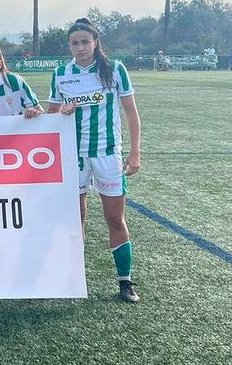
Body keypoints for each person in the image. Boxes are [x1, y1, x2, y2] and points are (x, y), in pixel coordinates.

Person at [48, 17, 142, 303]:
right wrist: (62, 110)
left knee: (115, 218)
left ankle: (125, 281)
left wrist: (135, 151)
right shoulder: (61, 73)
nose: (80, 47)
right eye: (75, 43)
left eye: (84, 41)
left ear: (95, 42)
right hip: (72, 156)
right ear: (69, 46)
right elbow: (51, 115)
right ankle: (73, 278)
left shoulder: (114, 70)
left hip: (107, 154)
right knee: (75, 220)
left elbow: (131, 113)